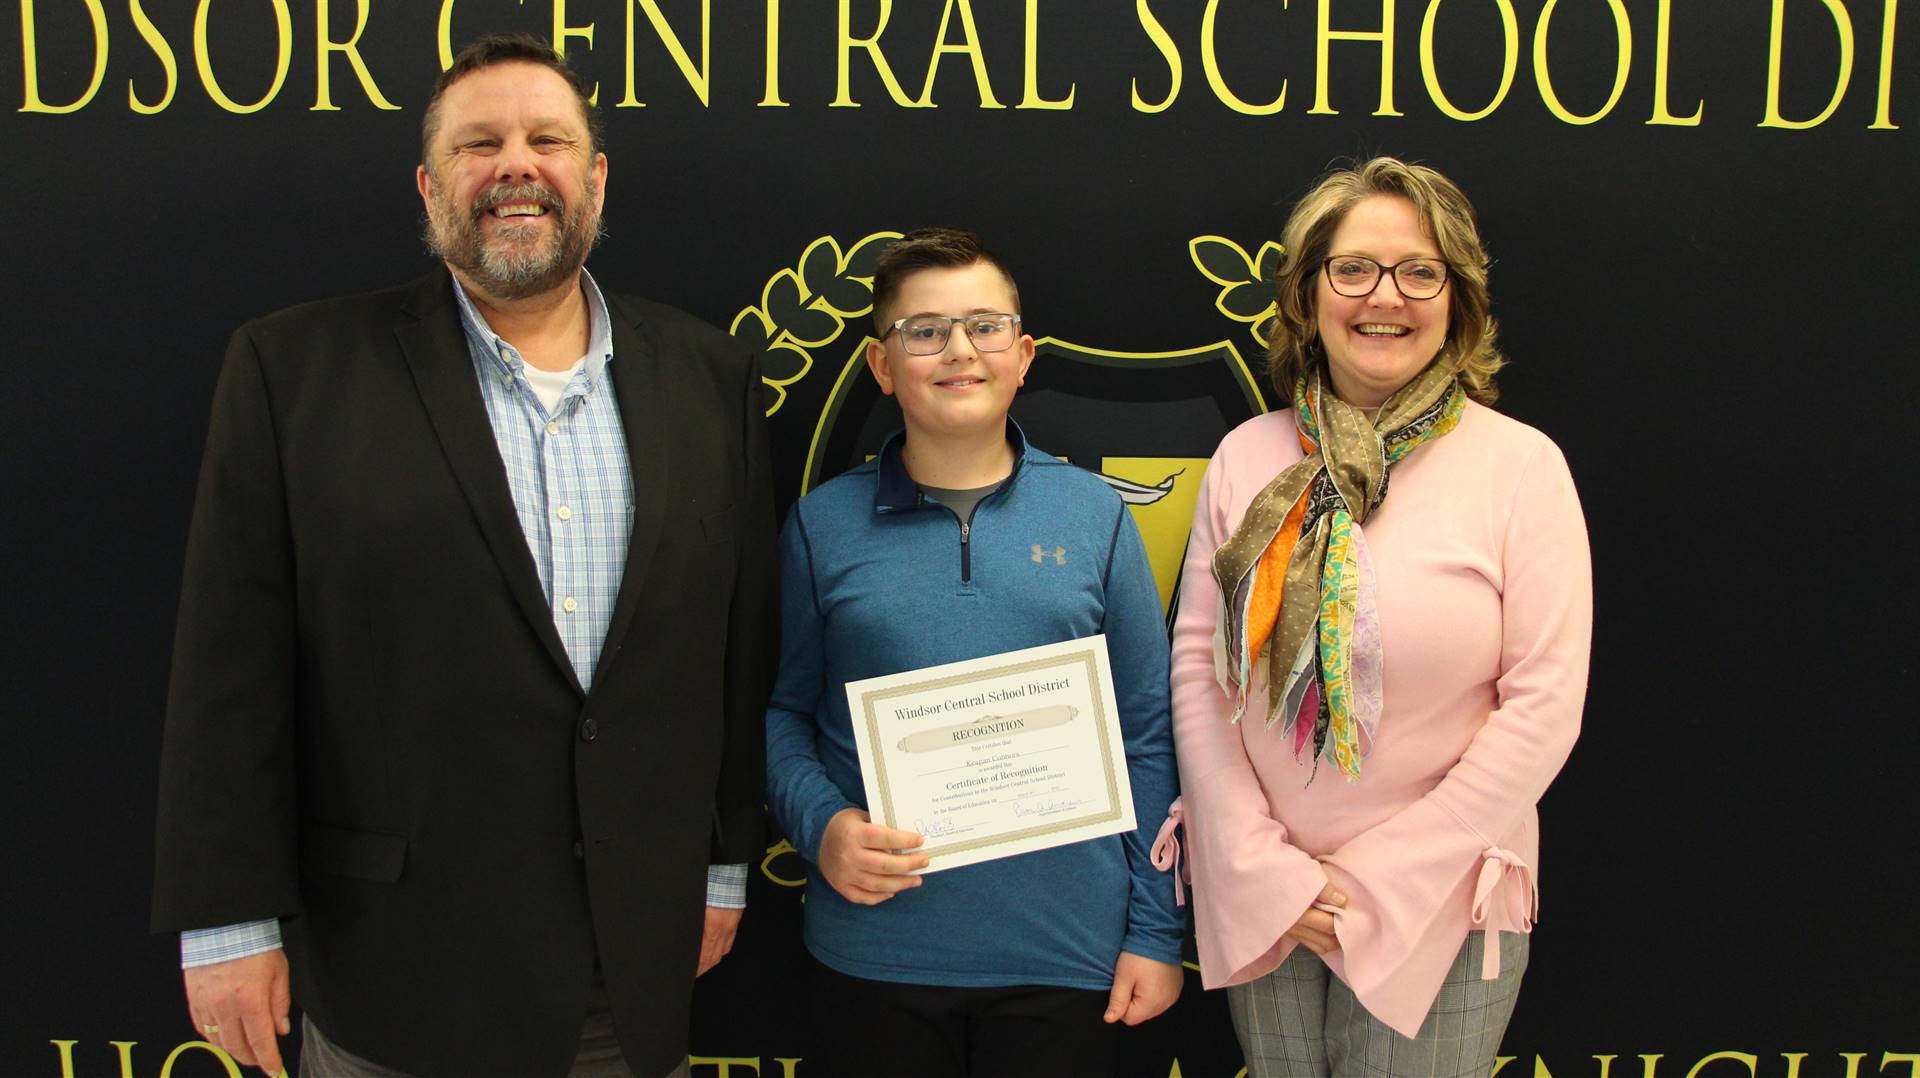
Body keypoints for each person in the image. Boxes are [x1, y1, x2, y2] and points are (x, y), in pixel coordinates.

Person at [149, 34, 775, 1078]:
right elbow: (231, 665)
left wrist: (720, 868)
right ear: (431, 183)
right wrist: (228, 924)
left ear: (596, 176)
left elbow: (734, 650)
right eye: (479, 144)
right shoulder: (293, 370)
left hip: (629, 968)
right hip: (398, 974)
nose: (516, 165)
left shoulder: (708, 376)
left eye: (549, 139)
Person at [1169, 157, 1592, 1077]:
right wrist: (1265, 869)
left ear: (1458, 298)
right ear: (1309, 293)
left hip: (1440, 900)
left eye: (1419, 271)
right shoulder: (1246, 457)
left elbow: (1545, 705)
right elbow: (1203, 676)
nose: (1384, 297)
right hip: (1271, 899)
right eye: (1353, 268)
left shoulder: (1521, 468)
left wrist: (1380, 880)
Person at [763, 228, 1186, 1078]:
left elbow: (1146, 733)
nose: (959, 350)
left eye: (985, 327)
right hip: (876, 952)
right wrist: (823, 828)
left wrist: (1153, 931)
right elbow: (781, 714)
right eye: (924, 331)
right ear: (883, 367)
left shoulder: (1095, 517)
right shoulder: (821, 525)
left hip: (1068, 956)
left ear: (1022, 355)